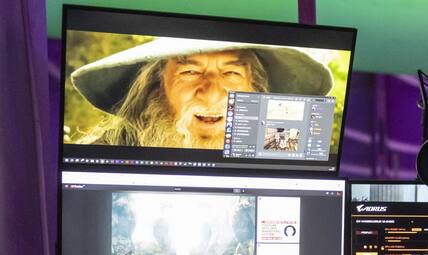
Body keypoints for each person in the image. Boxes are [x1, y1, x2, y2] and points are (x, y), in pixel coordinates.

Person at [69, 38, 333, 148]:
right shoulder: (108, 152)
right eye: (189, 73)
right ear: (156, 86)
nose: (212, 95)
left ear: (256, 91)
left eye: (232, 74)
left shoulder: (281, 151)